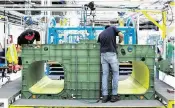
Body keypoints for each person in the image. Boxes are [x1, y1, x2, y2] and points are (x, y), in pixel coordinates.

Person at [97, 25, 124, 103]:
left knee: (105, 74)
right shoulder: (113, 28)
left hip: (103, 55)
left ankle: (105, 96)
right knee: (115, 73)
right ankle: (114, 95)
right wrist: (119, 42)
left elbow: (99, 43)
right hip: (111, 54)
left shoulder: (101, 34)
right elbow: (121, 35)